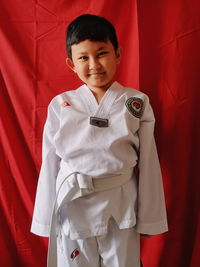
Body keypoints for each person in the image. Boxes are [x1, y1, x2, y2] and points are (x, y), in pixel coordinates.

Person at [31, 14, 168, 267]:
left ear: (118, 53)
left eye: (102, 53)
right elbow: (50, 163)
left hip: (120, 204)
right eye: (83, 57)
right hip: (73, 205)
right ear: (71, 64)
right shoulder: (61, 105)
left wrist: (149, 217)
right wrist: (44, 218)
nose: (94, 64)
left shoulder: (135, 103)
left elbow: (148, 162)